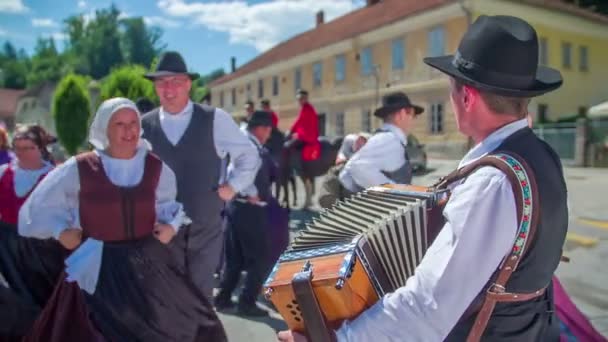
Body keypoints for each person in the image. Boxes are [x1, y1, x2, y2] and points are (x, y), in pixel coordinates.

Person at [279, 15, 567, 342]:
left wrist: (339, 339)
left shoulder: (491, 182)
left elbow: (425, 308)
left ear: (467, 97)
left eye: (452, 93)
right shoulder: (543, 155)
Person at [19, 97, 227, 342]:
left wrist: (170, 226)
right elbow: (37, 209)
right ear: (104, 128)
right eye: (119, 124)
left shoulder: (155, 167)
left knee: (181, 325)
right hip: (96, 265)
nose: (128, 130)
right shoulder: (80, 167)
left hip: (146, 264)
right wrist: (59, 230)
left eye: (133, 123)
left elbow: (168, 208)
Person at [141, 51, 259, 299]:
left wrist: (232, 186)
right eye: (161, 82)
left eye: (175, 81)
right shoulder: (144, 125)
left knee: (198, 301)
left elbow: (249, 155)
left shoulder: (214, 119)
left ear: (188, 84)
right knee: (162, 301)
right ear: (155, 87)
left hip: (203, 231)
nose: (168, 88)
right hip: (159, 232)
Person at [0, 125, 64, 340]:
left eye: (28, 148)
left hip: (41, 253)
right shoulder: (3, 174)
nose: (21, 153)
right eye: (17, 147)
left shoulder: (55, 178)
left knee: (40, 303)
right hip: (6, 252)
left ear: (40, 148)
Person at [215, 110, 281, 317]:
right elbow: (234, 172)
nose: (269, 134)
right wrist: (250, 192)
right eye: (269, 129)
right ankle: (247, 301)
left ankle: (223, 298)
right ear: (261, 129)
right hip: (248, 209)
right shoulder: (248, 146)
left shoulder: (245, 143)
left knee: (234, 258)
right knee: (260, 258)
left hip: (237, 206)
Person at [339, 92, 423, 193]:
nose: (414, 120)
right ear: (401, 114)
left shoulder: (386, 137)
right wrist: (395, 192)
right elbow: (356, 167)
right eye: (413, 115)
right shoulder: (390, 140)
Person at [318, 133, 369, 208]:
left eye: (363, 144)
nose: (359, 146)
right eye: (357, 143)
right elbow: (325, 198)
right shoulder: (340, 169)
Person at [284, 89, 320, 162]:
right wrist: (291, 131)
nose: (299, 101)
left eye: (301, 99)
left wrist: (291, 131)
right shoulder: (305, 108)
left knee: (287, 146)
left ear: (306, 99)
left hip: (308, 137)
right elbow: (299, 122)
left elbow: (299, 122)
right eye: (298, 99)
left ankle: (297, 170)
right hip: (304, 136)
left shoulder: (308, 109)